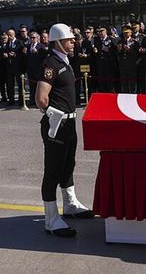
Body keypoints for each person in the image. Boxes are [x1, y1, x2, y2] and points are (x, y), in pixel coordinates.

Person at [36, 23, 94, 238]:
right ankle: (51, 220)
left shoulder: (65, 61)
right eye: (69, 40)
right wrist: (53, 115)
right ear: (58, 42)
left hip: (69, 123)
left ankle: (70, 205)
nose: (73, 42)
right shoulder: (50, 63)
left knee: (68, 165)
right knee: (53, 170)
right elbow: (41, 98)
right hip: (57, 124)